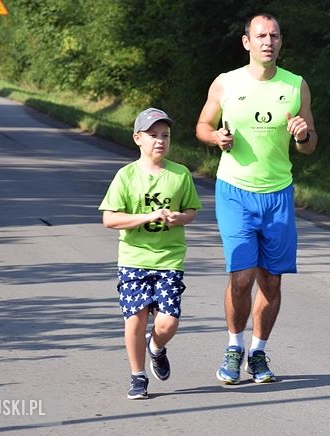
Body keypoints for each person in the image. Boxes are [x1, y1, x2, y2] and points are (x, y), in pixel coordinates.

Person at [196, 13, 317, 384]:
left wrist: (301, 135)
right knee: (242, 275)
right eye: (261, 35)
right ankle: (234, 346)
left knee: (272, 280)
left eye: (275, 35)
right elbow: (201, 126)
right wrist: (216, 137)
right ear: (246, 42)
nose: (268, 41)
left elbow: (310, 145)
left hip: (278, 194)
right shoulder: (226, 83)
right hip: (234, 191)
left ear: (281, 41)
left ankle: (258, 353)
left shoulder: (296, 86)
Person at [100, 108, 202, 400]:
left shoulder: (180, 174)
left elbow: (192, 212)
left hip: (170, 259)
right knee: (136, 318)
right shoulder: (126, 176)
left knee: (168, 322)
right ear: (138, 139)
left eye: (165, 136)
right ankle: (138, 376)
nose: (160, 141)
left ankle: (156, 348)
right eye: (153, 135)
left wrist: (178, 218)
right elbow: (110, 219)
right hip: (134, 259)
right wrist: (146, 218)